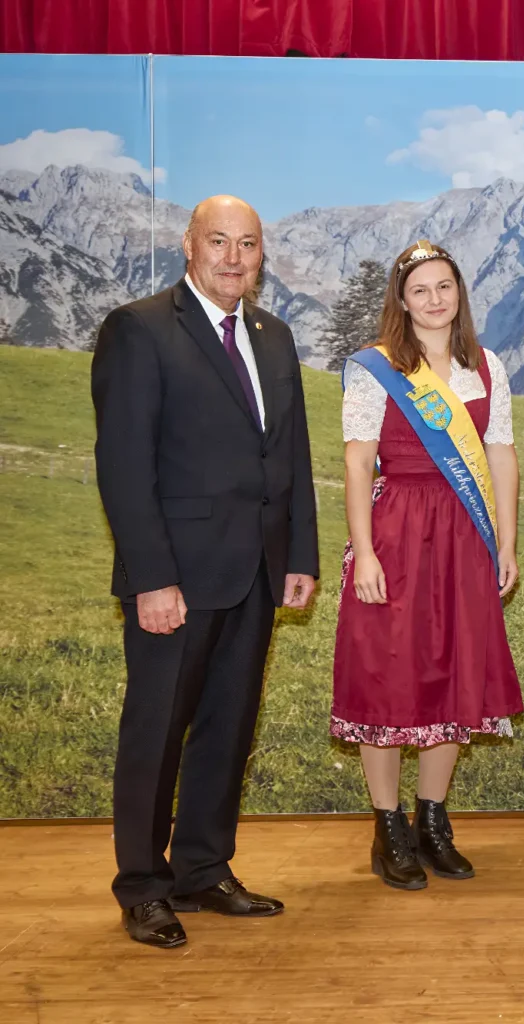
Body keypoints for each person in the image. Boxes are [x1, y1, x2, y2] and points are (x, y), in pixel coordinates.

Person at [92, 195, 319, 948]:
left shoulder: (274, 336)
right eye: (218, 241)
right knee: (156, 731)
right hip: (178, 578)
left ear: (262, 255)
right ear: (189, 245)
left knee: (227, 727)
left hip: (256, 570)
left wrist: (299, 556)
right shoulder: (140, 329)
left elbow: (291, 455)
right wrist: (151, 578)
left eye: (247, 244)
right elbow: (124, 468)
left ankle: (202, 868)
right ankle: (143, 886)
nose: (233, 257)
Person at [331, 240, 523, 890]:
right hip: (398, 531)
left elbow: (500, 455)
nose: (435, 299)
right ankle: (388, 827)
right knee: (387, 673)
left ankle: (432, 821)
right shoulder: (377, 368)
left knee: (455, 669)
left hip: (466, 535)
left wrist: (506, 542)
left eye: (445, 286)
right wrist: (364, 551)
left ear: (459, 292)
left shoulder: (487, 367)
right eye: (421, 290)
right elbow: (358, 461)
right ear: (403, 301)